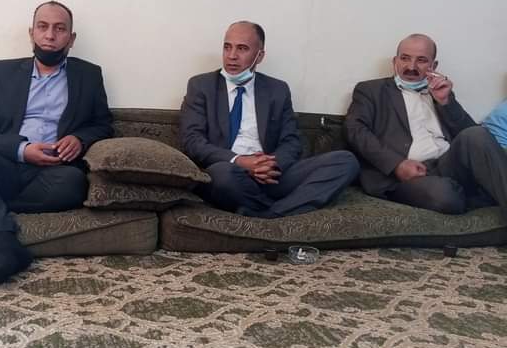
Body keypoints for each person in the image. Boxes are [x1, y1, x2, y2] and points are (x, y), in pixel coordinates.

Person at [0, 1, 113, 287]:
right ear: (31, 33)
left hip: (52, 172)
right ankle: (4, 244)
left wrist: (80, 139)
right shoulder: (2, 72)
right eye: (43, 27)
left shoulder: (89, 75)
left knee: (73, 184)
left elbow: (103, 125)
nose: (50, 35)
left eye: (60, 29)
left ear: (71, 39)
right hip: (5, 164)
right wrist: (21, 150)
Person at [180, 20, 359, 218]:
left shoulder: (277, 90)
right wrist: (241, 161)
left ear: (260, 56)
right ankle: (285, 208)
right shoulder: (201, 86)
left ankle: (269, 213)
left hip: (272, 175)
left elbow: (291, 140)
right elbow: (193, 141)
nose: (232, 56)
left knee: (345, 161)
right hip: (230, 172)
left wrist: (270, 165)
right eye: (227, 47)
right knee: (222, 175)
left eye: (242, 48)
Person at [345, 33, 507, 215]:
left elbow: (470, 135)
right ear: (395, 61)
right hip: (405, 176)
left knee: (477, 134)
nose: (411, 67)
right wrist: (397, 164)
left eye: (421, 60)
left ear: (433, 66)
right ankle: (477, 195)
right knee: (445, 195)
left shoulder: (439, 92)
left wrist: (446, 102)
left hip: (447, 165)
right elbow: (355, 130)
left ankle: (477, 193)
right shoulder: (371, 90)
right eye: (405, 58)